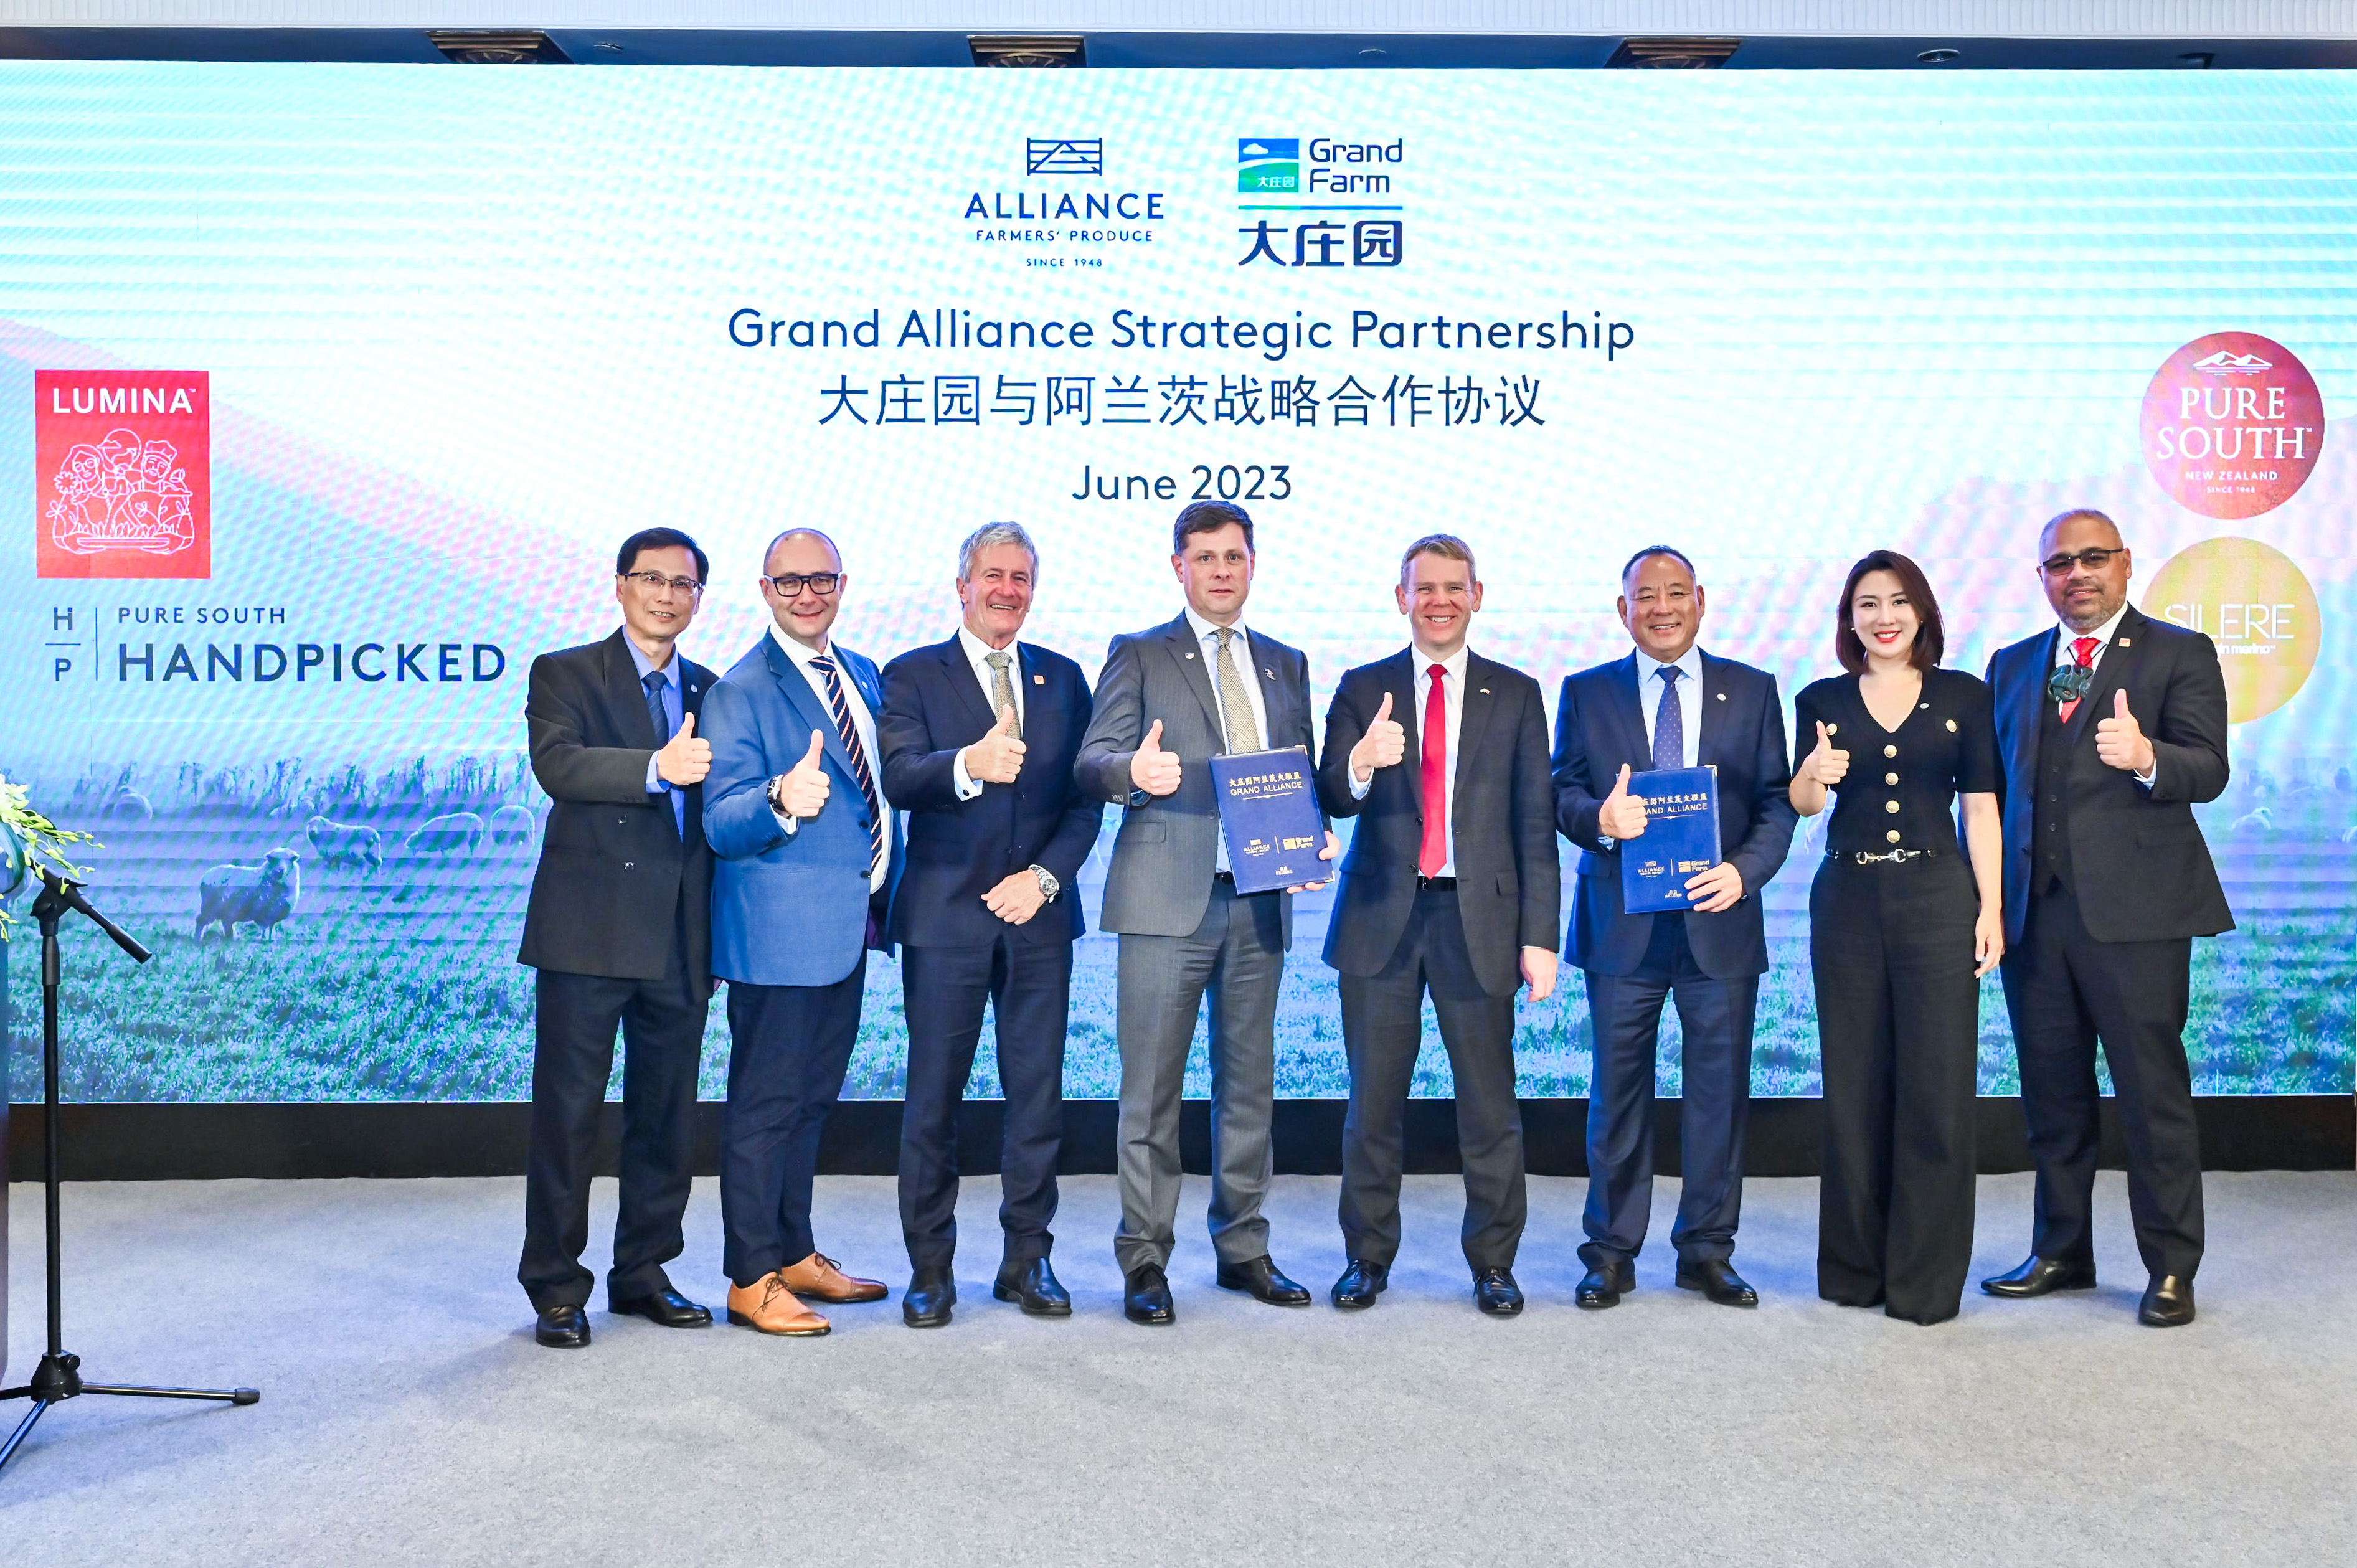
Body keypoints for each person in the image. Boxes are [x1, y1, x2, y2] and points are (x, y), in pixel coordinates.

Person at [1074, 499, 1339, 1326]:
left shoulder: (1286, 663)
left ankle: (1243, 1246)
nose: (1221, 571)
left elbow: (1298, 771)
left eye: (1234, 557)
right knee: (1150, 1092)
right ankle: (1145, 1257)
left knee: (1248, 1086)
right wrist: (1131, 771)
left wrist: (1313, 833)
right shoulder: (1139, 652)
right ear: (1178, 566)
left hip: (1258, 901)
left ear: (1252, 564)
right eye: (1205, 557)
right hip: (1165, 901)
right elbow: (1091, 759)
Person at [1981, 508, 2231, 1328]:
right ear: (2041, 576)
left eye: (2092, 558)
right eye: (2059, 563)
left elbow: (2209, 768)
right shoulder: (2011, 663)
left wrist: (2148, 756)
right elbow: (1998, 793)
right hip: (2035, 917)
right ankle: (2062, 1249)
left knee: (2152, 1098)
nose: (2077, 574)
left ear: (2125, 563)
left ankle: (2171, 1267)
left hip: (2137, 919)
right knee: (2051, 1096)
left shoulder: (2177, 652)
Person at [1315, 534, 1559, 1315]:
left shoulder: (1515, 693)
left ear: (1476, 596)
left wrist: (1539, 937)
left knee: (1489, 1107)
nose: (1439, 601)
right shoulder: (1363, 686)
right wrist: (1361, 759)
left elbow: (1534, 824)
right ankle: (1366, 1256)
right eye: (1424, 588)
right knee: (1371, 1105)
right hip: (1381, 918)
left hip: (1477, 919)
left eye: (1454, 587)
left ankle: (1493, 1263)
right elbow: (1330, 793)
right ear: (1401, 599)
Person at [1550, 545, 1797, 1310]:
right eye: (1644, 596)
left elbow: (1775, 800)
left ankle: (1706, 1251)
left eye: (1675, 593)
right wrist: (1599, 819)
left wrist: (1744, 872)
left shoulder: (1750, 689)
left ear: (1700, 601)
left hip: (1717, 920)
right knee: (1615, 1096)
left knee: (1717, 1097)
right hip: (1620, 925)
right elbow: (1561, 791)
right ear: (1621, 609)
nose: (1660, 607)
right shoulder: (1585, 691)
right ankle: (1609, 1253)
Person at [877, 522, 1103, 1328]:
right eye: (992, 575)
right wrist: (968, 764)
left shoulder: (1063, 678)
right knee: (932, 1101)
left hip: (1038, 919)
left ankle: (1026, 1259)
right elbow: (900, 777)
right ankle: (929, 1270)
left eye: (1020, 577)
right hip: (944, 921)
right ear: (961, 586)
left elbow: (1084, 800)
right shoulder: (912, 673)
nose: (1007, 590)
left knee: (1037, 1098)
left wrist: (1042, 880)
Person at [516, 528, 720, 1350]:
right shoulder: (565, 672)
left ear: (699, 597)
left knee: (666, 1118)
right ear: (620, 585)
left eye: (683, 584)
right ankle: (556, 1286)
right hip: (587, 934)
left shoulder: (710, 687)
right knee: (568, 1116)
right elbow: (558, 765)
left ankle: (644, 1271)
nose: (667, 595)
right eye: (652, 579)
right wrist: (654, 767)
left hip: (680, 936)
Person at [699, 527, 905, 1337]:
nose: (808, 594)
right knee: (763, 1108)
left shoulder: (862, 673)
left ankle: (792, 1252)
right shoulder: (740, 690)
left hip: (847, 927)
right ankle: (750, 1276)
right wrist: (779, 797)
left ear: (842, 585)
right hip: (777, 937)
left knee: (811, 1102)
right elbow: (722, 820)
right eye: (790, 582)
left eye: (822, 579)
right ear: (764, 591)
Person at [1789, 551, 2003, 1325]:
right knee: (1853, 1084)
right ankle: (1854, 1270)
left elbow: (1979, 808)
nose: (1883, 617)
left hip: (1937, 898)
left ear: (1922, 612)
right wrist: (1812, 771)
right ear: (1848, 619)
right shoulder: (1818, 699)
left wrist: (1990, 907)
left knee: (1936, 1087)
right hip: (1846, 900)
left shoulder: (1964, 695)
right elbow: (1804, 803)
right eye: (1867, 604)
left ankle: (1924, 1281)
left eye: (1898, 601)